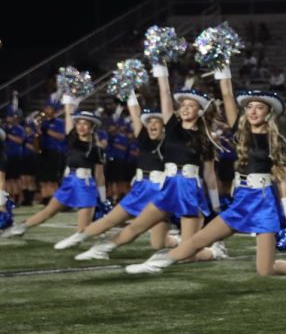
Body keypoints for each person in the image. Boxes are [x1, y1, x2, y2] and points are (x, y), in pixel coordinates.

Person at [127, 87, 286, 276]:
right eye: (249, 107)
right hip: (242, 199)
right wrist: (222, 66)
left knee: (265, 270)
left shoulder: (276, 141)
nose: (253, 111)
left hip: (264, 203)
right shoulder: (240, 133)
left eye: (259, 107)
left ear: (269, 112)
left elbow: (282, 182)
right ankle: (158, 263)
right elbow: (228, 95)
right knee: (197, 240)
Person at [75, 61, 227, 262]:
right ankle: (101, 249)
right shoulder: (171, 126)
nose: (186, 108)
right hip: (168, 186)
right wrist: (160, 65)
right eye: (183, 105)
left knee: (187, 253)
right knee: (137, 226)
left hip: (190, 190)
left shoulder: (204, 137)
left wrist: (215, 205)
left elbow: (208, 174)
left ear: (199, 112)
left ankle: (215, 252)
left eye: (192, 106)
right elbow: (164, 93)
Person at [59, 94, 171, 255]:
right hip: (140, 188)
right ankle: (79, 237)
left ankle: (181, 242)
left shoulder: (171, 143)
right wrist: (130, 93)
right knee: (110, 220)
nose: (152, 125)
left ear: (164, 126)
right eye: (149, 122)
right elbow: (135, 113)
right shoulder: (144, 139)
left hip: (159, 192)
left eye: (156, 122)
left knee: (158, 244)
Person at [2, 97, 105, 239]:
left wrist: (103, 197)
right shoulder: (71, 139)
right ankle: (20, 227)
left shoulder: (96, 148)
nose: (81, 126)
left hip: (85, 185)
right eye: (79, 123)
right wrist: (69, 98)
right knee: (48, 211)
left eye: (85, 124)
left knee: (82, 230)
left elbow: (100, 175)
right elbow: (69, 117)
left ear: (92, 127)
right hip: (69, 182)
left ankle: (100, 241)